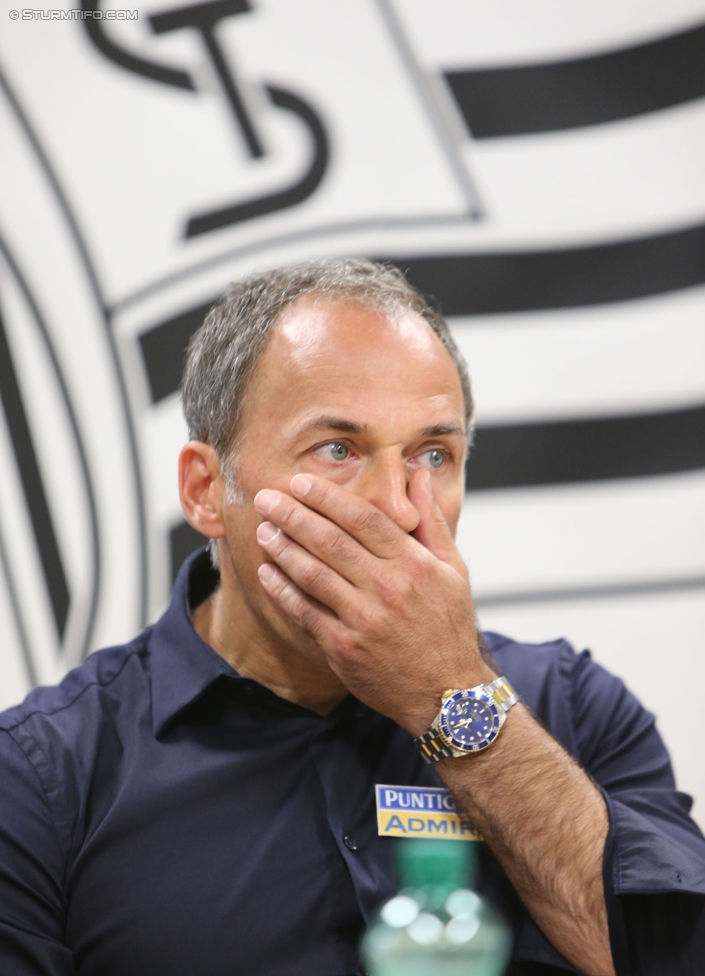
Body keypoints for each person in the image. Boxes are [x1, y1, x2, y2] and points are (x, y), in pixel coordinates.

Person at [0, 259, 703, 976]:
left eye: (433, 453)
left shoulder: (574, 709)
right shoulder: (44, 776)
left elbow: (666, 961)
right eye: (337, 450)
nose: (400, 507)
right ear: (207, 491)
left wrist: (452, 696)